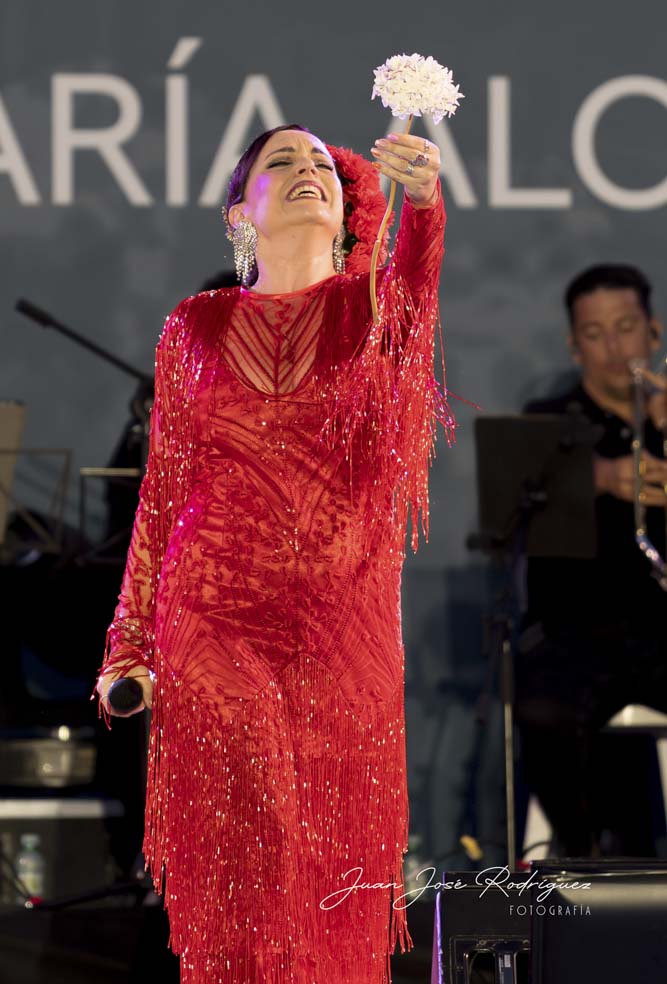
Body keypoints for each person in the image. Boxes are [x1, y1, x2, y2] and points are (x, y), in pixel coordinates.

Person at [95, 123, 451, 982]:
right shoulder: (195, 326)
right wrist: (129, 642)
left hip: (343, 629)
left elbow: (414, 279)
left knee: (328, 868)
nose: (306, 170)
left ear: (346, 207)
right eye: (280, 162)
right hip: (213, 616)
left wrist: (424, 203)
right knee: (251, 852)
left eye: (321, 163)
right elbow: (163, 492)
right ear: (238, 213)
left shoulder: (373, 311)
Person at [515, 263, 667, 858]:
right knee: (542, 704)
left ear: (653, 332)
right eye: (595, 334)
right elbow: (518, 491)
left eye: (626, 328)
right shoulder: (549, 422)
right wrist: (600, 476)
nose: (614, 349)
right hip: (577, 634)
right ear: (575, 347)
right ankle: (586, 859)